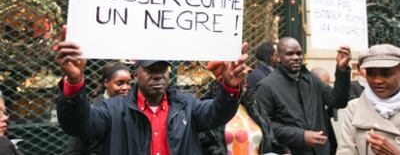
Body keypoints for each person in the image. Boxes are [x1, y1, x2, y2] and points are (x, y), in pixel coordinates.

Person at [55, 41, 250, 155]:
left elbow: (217, 113)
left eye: (162, 70)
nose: (157, 75)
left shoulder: (187, 105)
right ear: (136, 75)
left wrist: (231, 87)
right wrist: (74, 81)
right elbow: (77, 126)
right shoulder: (112, 109)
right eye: (150, 70)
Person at [255, 37, 351, 155]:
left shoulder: (311, 79)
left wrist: (342, 70)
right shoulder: (266, 86)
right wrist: (301, 136)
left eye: (299, 53)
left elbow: (338, 101)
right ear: (278, 57)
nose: (296, 57)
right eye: (289, 54)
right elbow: (264, 125)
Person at [337, 44, 400, 155]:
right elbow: (345, 151)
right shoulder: (354, 107)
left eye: (385, 74)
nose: (377, 80)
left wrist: (396, 154)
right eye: (371, 73)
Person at [199, 61, 287, 155]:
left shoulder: (253, 106)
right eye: (238, 76)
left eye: (244, 76)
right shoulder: (207, 109)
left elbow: (270, 141)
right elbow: (206, 147)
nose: (244, 80)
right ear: (222, 81)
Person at [66, 61, 132, 154]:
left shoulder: (132, 108)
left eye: (128, 83)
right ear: (106, 83)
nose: (125, 87)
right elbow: (75, 149)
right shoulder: (91, 111)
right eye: (119, 83)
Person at [310, 67, 337, 155]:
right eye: (324, 86)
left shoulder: (331, 105)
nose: (327, 89)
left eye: (328, 85)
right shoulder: (307, 106)